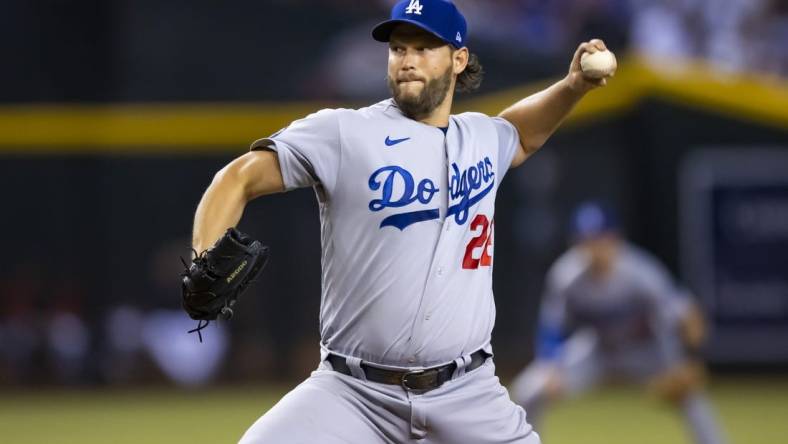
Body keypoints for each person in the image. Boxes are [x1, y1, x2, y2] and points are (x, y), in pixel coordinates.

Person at [190, 1, 613, 442]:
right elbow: (237, 178)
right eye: (398, 48)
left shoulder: (481, 138)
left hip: (468, 393)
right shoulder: (344, 132)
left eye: (424, 47)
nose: (407, 60)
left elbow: (523, 132)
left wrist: (573, 85)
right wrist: (204, 258)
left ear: (459, 58)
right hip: (351, 393)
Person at [510, 201, 726, 444]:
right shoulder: (566, 276)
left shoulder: (640, 272)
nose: (595, 248)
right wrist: (549, 366)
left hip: (644, 351)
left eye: (601, 239)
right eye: (587, 240)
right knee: (529, 389)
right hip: (598, 350)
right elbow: (551, 327)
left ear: (615, 239)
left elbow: (687, 317)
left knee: (692, 397)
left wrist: (689, 359)